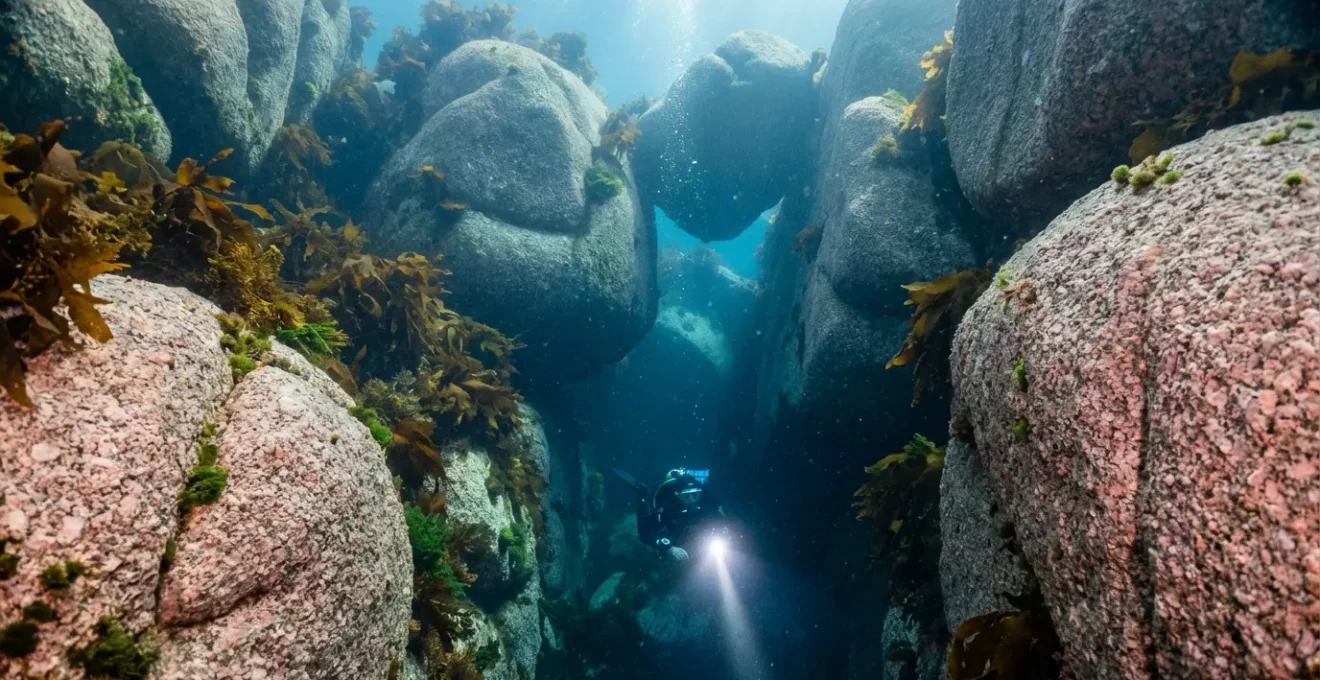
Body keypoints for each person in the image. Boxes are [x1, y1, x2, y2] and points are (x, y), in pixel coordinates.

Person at [615, 468, 722, 562]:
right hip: (672, 531)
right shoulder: (667, 506)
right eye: (686, 496)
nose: (691, 500)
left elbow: (717, 519)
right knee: (644, 493)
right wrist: (669, 548)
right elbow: (645, 534)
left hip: (687, 534)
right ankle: (641, 491)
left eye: (695, 495)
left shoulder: (704, 503)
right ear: (677, 496)